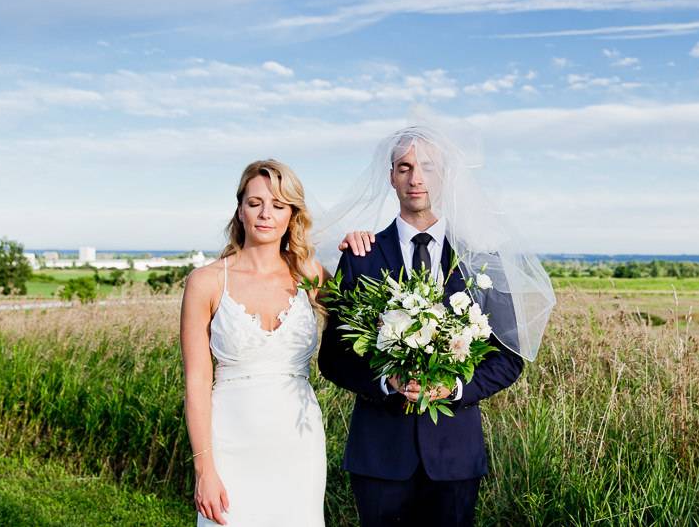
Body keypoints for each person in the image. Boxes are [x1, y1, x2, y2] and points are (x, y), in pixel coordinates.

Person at [318, 125, 554, 527]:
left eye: (428, 166)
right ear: (391, 176)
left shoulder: (480, 257)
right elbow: (334, 358)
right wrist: (383, 383)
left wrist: (457, 387)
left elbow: (509, 357)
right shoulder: (362, 255)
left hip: (454, 456)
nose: (416, 178)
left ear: (446, 175)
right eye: (404, 167)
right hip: (379, 455)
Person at [180, 159, 328, 526]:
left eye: (278, 205)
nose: (266, 214)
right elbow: (197, 383)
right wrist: (205, 470)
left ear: (292, 215)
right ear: (240, 210)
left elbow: (363, 326)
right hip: (230, 439)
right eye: (255, 203)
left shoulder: (310, 274)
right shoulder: (206, 282)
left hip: (299, 442)